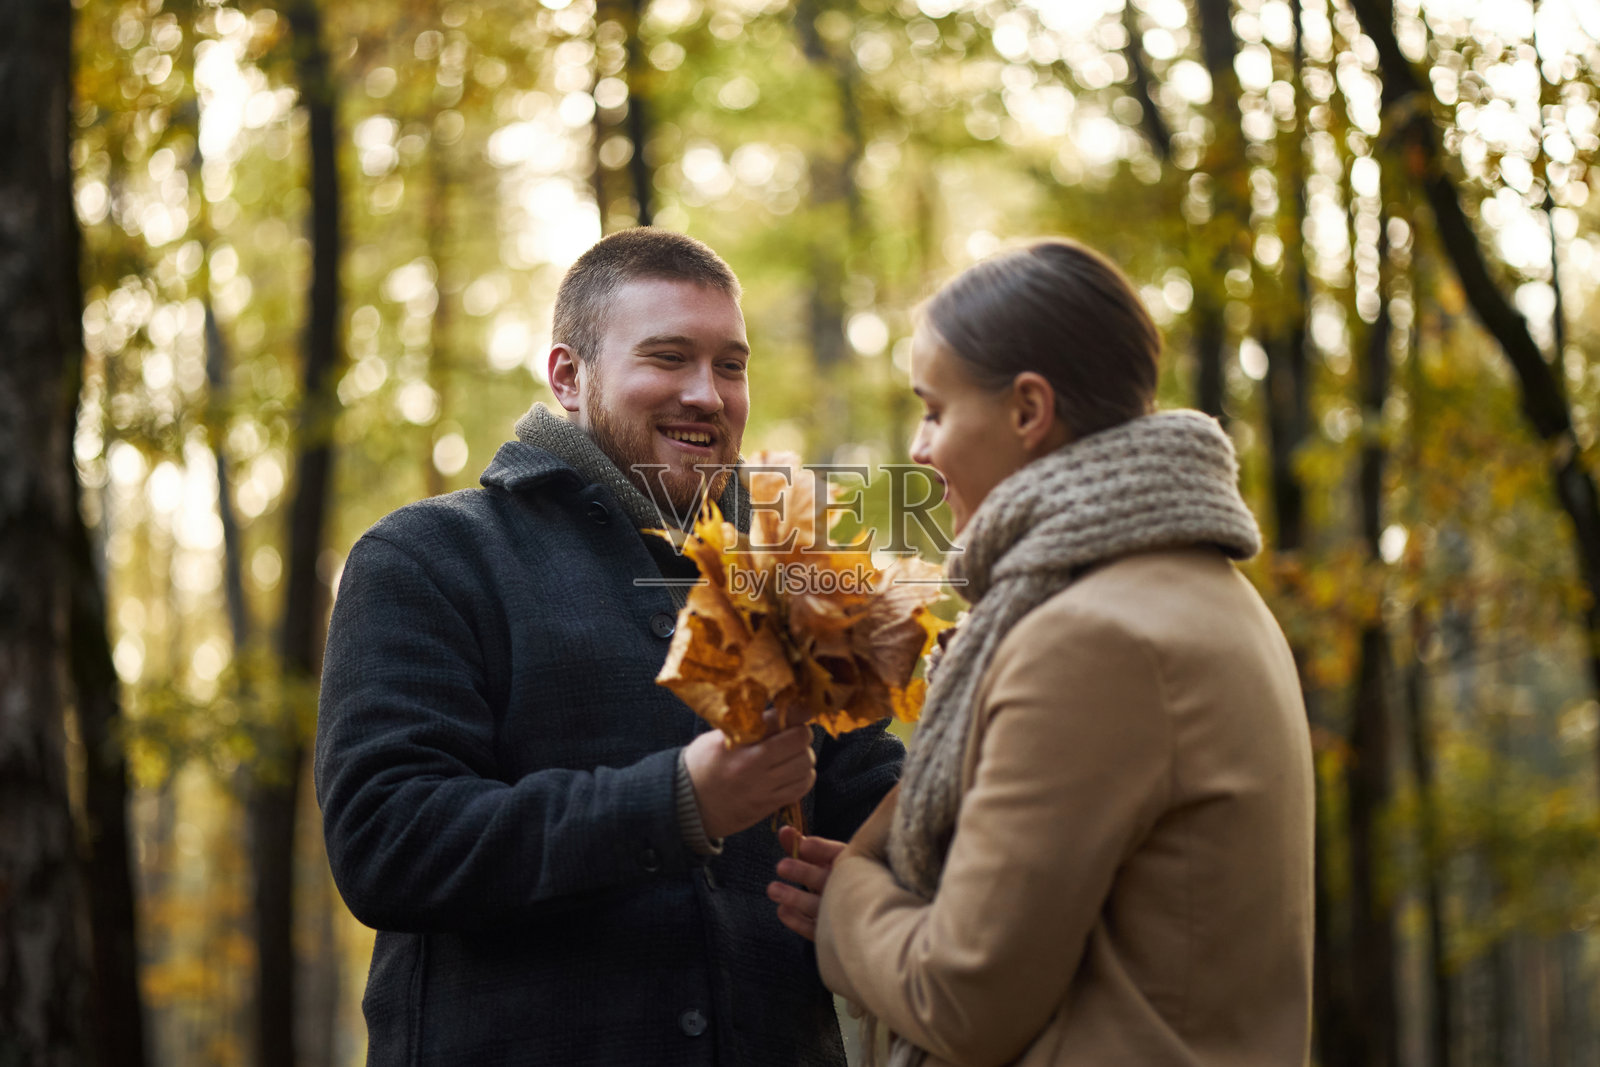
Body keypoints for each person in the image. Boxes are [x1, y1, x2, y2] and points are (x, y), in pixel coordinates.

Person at [315, 228, 904, 1065]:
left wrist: (890, 858)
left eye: (730, 366)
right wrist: (672, 803)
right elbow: (389, 841)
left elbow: (878, 792)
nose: (707, 394)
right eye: (668, 358)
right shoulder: (430, 556)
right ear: (569, 376)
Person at [767, 238, 1315, 1066]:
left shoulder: (1092, 639)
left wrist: (850, 898)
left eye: (935, 410)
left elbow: (960, 999)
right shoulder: (1200, 587)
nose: (919, 448)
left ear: (1027, 410)